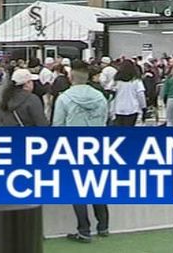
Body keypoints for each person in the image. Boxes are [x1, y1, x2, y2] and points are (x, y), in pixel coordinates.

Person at [53, 61, 110, 242]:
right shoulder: (100, 97)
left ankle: (83, 229)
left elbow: (58, 126)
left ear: (71, 78)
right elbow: (105, 120)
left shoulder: (64, 98)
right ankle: (103, 225)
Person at [109, 59, 147, 126]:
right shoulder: (136, 81)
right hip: (132, 108)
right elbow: (141, 95)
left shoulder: (116, 80)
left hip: (118, 108)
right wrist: (143, 107)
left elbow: (109, 89)